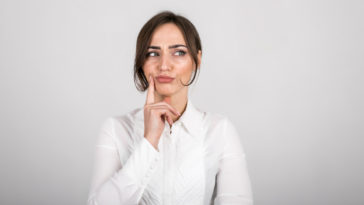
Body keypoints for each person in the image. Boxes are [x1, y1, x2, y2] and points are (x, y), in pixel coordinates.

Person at [87, 10, 253, 205]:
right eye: (152, 53)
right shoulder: (116, 129)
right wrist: (149, 142)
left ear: (197, 59)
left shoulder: (220, 130)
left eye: (179, 52)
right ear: (141, 62)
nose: (164, 65)